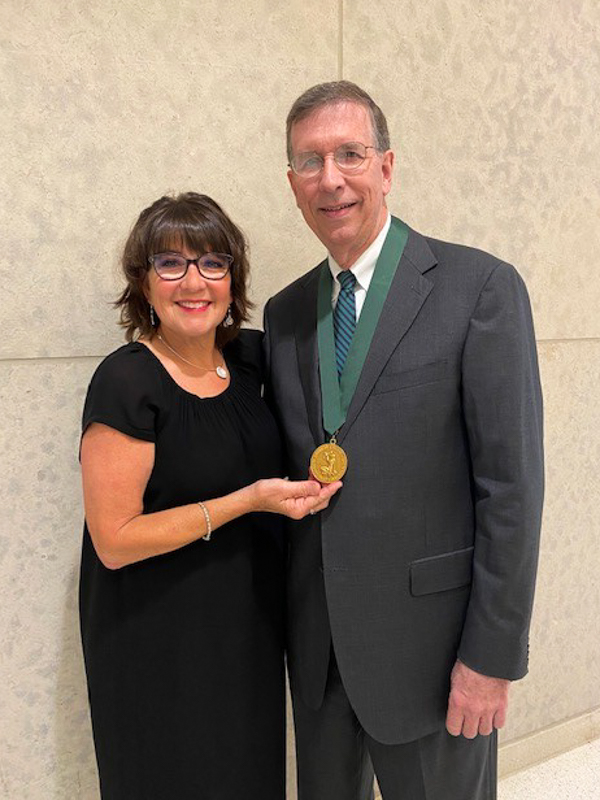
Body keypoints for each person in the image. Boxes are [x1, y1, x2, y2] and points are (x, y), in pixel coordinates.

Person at [263, 82, 544, 799]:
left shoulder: (477, 287)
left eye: (350, 154)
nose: (332, 178)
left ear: (386, 168)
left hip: (435, 657)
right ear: (292, 183)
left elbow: (511, 490)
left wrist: (491, 658)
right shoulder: (287, 312)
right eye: (310, 161)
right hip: (321, 658)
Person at [78, 192, 340, 800]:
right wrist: (246, 500)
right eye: (170, 264)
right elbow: (114, 541)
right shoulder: (126, 380)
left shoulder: (250, 360)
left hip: (246, 625)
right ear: (143, 284)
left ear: (232, 279)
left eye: (211, 264)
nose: (192, 282)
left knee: (245, 775)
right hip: (155, 635)